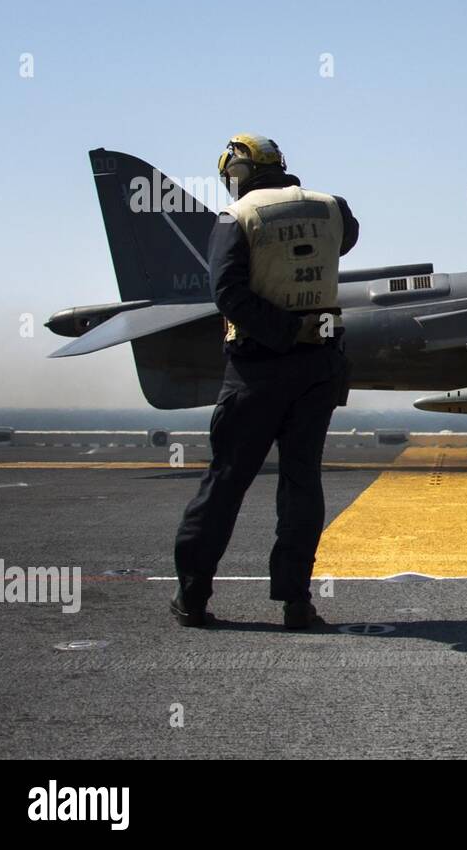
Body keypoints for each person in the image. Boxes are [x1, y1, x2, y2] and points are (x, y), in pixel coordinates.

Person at [171, 134, 359, 629]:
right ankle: (297, 602)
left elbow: (227, 292)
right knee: (302, 482)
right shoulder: (334, 207)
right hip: (319, 366)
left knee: (226, 480)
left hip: (257, 369)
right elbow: (344, 242)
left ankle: (192, 598)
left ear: (236, 174)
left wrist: (279, 331)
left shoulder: (236, 218)